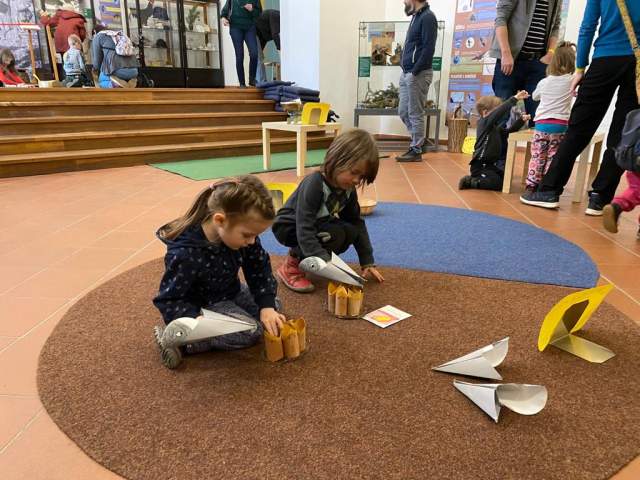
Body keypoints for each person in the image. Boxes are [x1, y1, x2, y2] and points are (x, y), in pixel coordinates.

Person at [520, 0, 640, 215]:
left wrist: (580, 67)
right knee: (624, 132)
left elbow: (588, 26)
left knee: (578, 128)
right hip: (638, 64)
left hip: (605, 59)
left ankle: (549, 190)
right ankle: (600, 198)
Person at [153, 175, 285, 369]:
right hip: (202, 307)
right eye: (247, 235)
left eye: (255, 235)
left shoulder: (240, 234)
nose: (252, 241)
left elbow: (259, 268)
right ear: (220, 220)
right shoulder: (185, 253)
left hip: (230, 292)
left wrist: (266, 307)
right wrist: (196, 322)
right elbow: (169, 299)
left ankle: (226, 323)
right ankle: (181, 340)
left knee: (273, 304)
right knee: (251, 332)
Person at [272, 129, 385, 293]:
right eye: (354, 172)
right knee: (325, 235)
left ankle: (312, 258)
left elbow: (356, 223)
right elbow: (304, 226)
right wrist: (326, 263)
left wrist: (367, 260)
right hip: (289, 227)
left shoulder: (348, 189)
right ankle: (291, 266)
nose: (357, 180)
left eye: (362, 177)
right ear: (336, 160)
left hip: (316, 223)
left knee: (347, 231)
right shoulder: (315, 184)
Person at [524, 41, 576, 191]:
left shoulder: (544, 82)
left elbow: (535, 96)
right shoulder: (572, 80)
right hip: (560, 125)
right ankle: (545, 185)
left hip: (542, 124)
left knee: (538, 155)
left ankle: (531, 185)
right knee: (553, 156)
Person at [458, 91, 531, 191]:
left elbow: (509, 132)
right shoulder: (483, 123)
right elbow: (499, 113)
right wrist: (514, 99)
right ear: (485, 113)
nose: (499, 115)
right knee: (497, 184)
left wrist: (521, 120)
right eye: (495, 111)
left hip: (489, 165)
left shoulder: (495, 127)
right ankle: (472, 181)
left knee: (504, 179)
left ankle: (480, 178)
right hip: (480, 165)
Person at [395, 0, 438, 162]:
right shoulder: (416, 17)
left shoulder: (428, 17)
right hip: (407, 73)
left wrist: (415, 71)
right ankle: (418, 142)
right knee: (403, 112)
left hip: (418, 74)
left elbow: (428, 48)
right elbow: (411, 45)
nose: (404, 1)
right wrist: (403, 65)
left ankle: (416, 149)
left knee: (415, 113)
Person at [221, 0, 261, 87]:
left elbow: (259, 13)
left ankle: (252, 79)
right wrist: (223, 18)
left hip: (250, 27)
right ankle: (242, 82)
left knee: (254, 53)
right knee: (239, 55)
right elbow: (225, 11)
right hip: (235, 27)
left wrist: (252, 9)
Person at [255, 9, 280, 84]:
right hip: (253, 31)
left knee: (259, 57)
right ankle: (261, 83)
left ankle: (259, 81)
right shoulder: (276, 15)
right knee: (258, 57)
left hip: (261, 34)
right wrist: (280, 51)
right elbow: (275, 34)